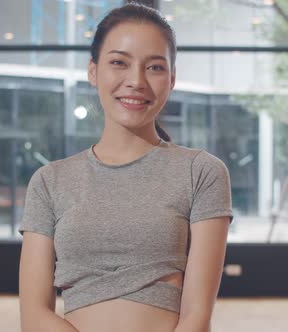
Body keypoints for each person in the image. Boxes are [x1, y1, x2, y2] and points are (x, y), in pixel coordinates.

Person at [18, 3, 234, 332]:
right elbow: (34, 316)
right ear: (93, 71)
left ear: (172, 79)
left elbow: (197, 316)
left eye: (155, 68)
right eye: (119, 62)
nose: (136, 81)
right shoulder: (49, 182)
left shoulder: (201, 172)